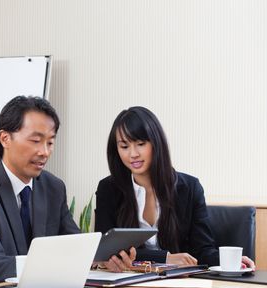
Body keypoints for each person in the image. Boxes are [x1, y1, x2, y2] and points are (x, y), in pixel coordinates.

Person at [0, 96, 135, 284]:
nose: (45, 152)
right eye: (35, 141)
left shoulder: (53, 188)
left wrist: (100, 259)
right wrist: (55, 264)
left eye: (50, 143)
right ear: (5, 138)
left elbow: (76, 245)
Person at [94, 106, 255, 268]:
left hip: (178, 283)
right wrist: (164, 257)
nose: (133, 154)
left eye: (140, 144)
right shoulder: (108, 189)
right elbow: (105, 250)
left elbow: (202, 250)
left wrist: (230, 261)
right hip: (128, 283)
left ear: (156, 143)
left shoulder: (190, 188)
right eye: (124, 146)